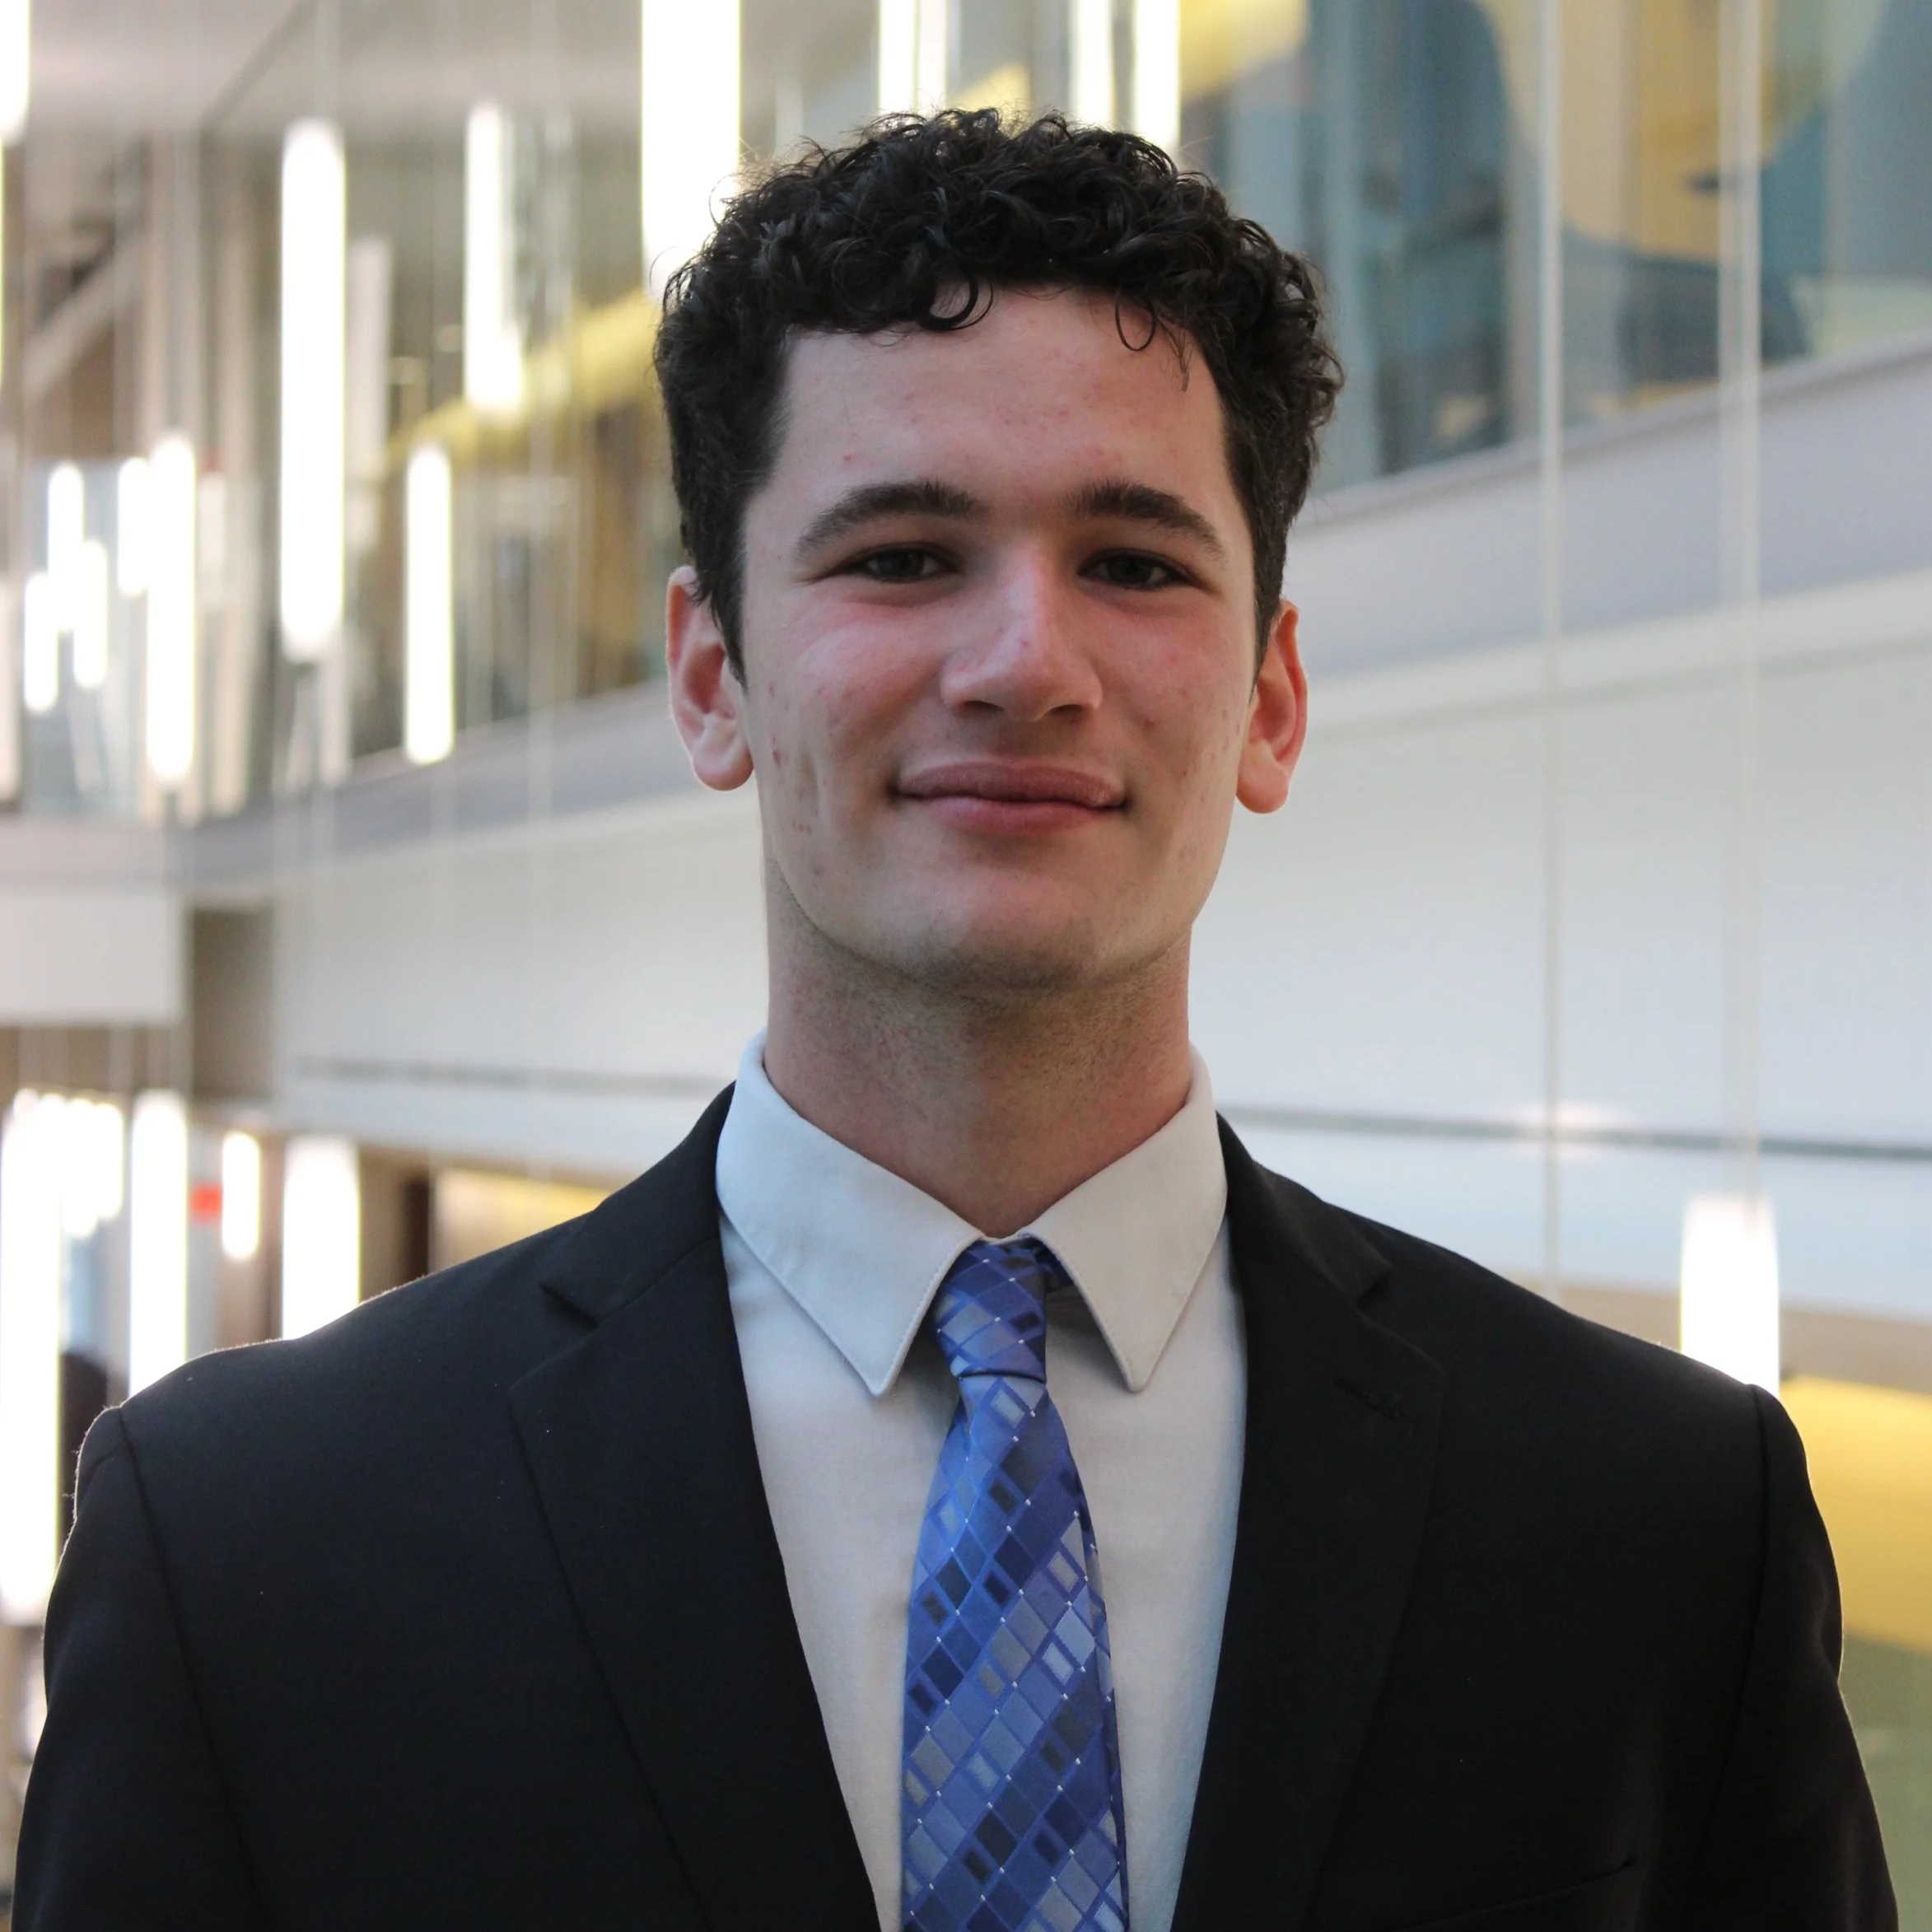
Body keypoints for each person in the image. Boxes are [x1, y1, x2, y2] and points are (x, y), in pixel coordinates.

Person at [16, 113, 1892, 1932]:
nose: (1025, 664)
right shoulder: (249, 1540)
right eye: (905, 555)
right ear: (709, 675)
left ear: (1272, 700)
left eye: (1137, 563)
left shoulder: (1652, 1528)